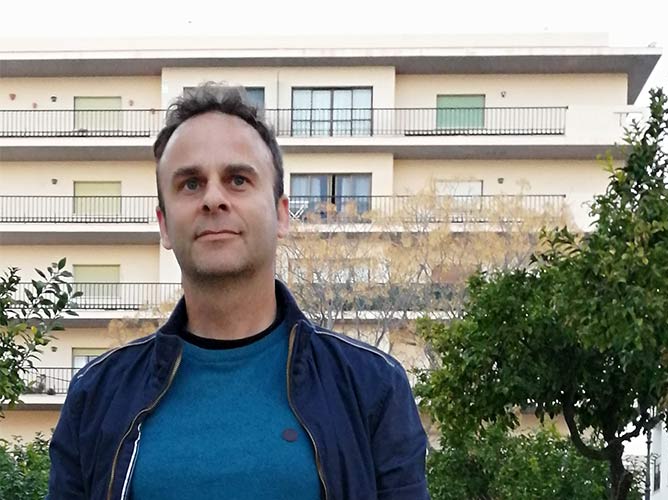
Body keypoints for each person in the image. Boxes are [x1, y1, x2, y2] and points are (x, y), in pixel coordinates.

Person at [47, 84, 430, 500]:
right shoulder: (97, 394)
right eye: (190, 184)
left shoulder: (371, 386)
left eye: (238, 180)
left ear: (281, 214)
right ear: (163, 225)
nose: (213, 199)